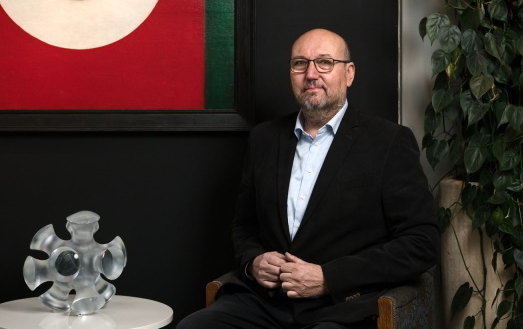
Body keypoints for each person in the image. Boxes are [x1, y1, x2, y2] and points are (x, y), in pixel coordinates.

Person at [177, 29, 440, 329]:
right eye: (300, 63)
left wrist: (329, 278)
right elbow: (244, 225)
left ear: (349, 73)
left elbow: (421, 243)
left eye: (325, 62)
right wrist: (254, 261)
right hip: (264, 302)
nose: (311, 74)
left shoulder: (389, 142)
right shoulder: (264, 139)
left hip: (341, 307)